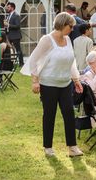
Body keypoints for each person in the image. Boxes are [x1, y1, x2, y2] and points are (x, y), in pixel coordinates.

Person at [24, 12, 84, 158]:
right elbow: (33, 60)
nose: (72, 29)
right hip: (48, 84)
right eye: (71, 26)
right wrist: (35, 80)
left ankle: (72, 147)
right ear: (63, 25)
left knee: (69, 114)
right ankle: (48, 147)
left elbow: (72, 61)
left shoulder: (68, 39)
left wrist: (76, 79)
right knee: (49, 115)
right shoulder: (47, 40)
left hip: (65, 84)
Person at [5, 2, 23, 66]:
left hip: (15, 36)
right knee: (8, 49)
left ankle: (21, 63)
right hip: (9, 35)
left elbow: (17, 26)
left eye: (8, 7)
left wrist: (8, 25)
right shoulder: (8, 15)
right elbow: (8, 25)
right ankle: (10, 63)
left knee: (18, 50)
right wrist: (6, 26)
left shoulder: (16, 15)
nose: (7, 8)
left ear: (12, 8)